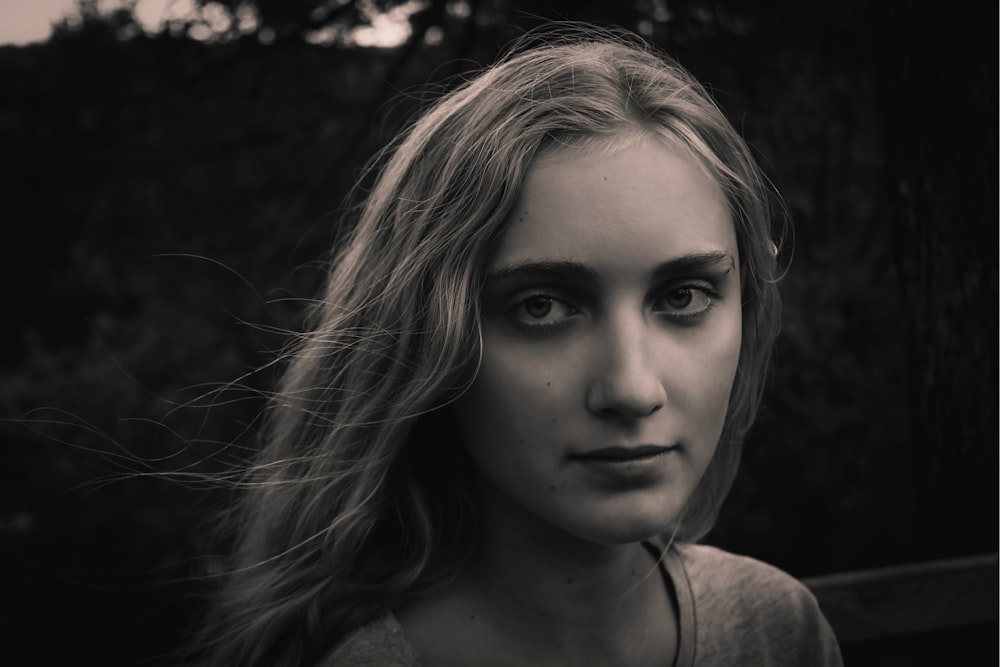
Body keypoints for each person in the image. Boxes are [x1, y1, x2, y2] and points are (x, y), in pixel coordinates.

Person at [193, 23, 843, 667]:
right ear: (430, 340)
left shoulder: (777, 630)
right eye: (543, 306)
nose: (632, 388)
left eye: (682, 296)